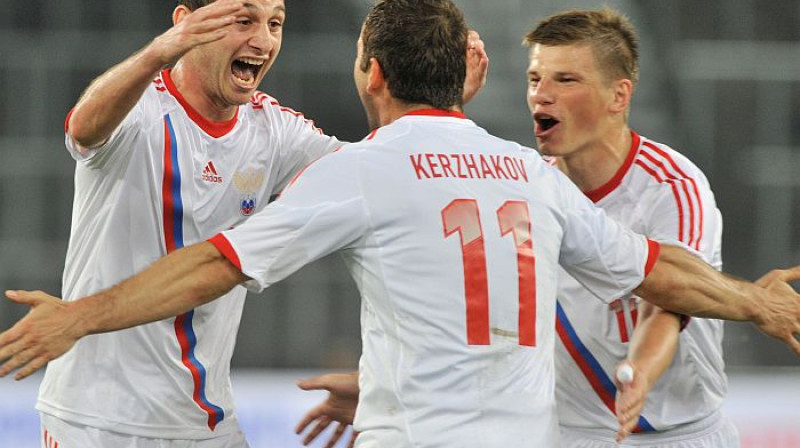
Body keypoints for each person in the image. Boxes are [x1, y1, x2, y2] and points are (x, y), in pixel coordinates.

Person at [1, 0, 800, 446]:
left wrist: (80, 316)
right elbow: (654, 268)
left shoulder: (366, 169)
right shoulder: (527, 172)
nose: (265, 38)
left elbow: (218, 262)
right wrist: (756, 303)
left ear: (372, 72)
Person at [1, 0, 488, 446]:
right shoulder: (140, 107)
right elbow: (84, 128)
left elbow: (380, 176)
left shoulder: (274, 129)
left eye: (275, 23)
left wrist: (436, 109)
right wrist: (159, 52)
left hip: (209, 423)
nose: (263, 39)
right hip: (98, 419)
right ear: (186, 24)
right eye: (244, 21)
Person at [523, 8, 739, 447]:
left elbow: (670, 301)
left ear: (618, 96)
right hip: (568, 435)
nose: (541, 95)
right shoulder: (529, 189)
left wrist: (638, 370)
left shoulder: (672, 186)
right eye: (534, 79)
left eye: (566, 80)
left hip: (676, 435)